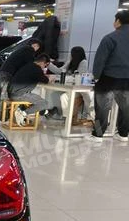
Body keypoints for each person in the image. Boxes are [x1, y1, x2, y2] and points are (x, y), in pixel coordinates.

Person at [87, 11, 129, 143]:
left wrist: (96, 76)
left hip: (109, 78)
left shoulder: (110, 38)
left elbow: (100, 59)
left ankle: (98, 135)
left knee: (102, 107)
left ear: (118, 21)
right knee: (126, 108)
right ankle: (123, 134)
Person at [8, 54, 59, 126]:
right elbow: (46, 81)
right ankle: (22, 113)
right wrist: (52, 77)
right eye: (45, 66)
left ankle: (46, 113)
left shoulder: (29, 65)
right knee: (44, 103)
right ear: (43, 63)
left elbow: (38, 77)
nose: (44, 68)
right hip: (19, 94)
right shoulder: (37, 69)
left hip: (13, 92)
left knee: (37, 98)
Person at [47, 46, 92, 119]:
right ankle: (64, 116)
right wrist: (49, 64)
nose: (70, 55)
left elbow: (78, 76)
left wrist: (67, 77)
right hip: (70, 87)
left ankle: (66, 117)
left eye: (71, 54)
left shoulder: (83, 62)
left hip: (78, 89)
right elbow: (60, 71)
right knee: (57, 94)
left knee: (63, 96)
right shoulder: (70, 61)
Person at [0, 38, 42, 102]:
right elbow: (31, 65)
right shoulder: (29, 50)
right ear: (35, 45)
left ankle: (4, 107)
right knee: (6, 98)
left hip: (3, 73)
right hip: (8, 74)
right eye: (38, 47)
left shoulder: (22, 49)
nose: (37, 49)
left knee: (3, 99)